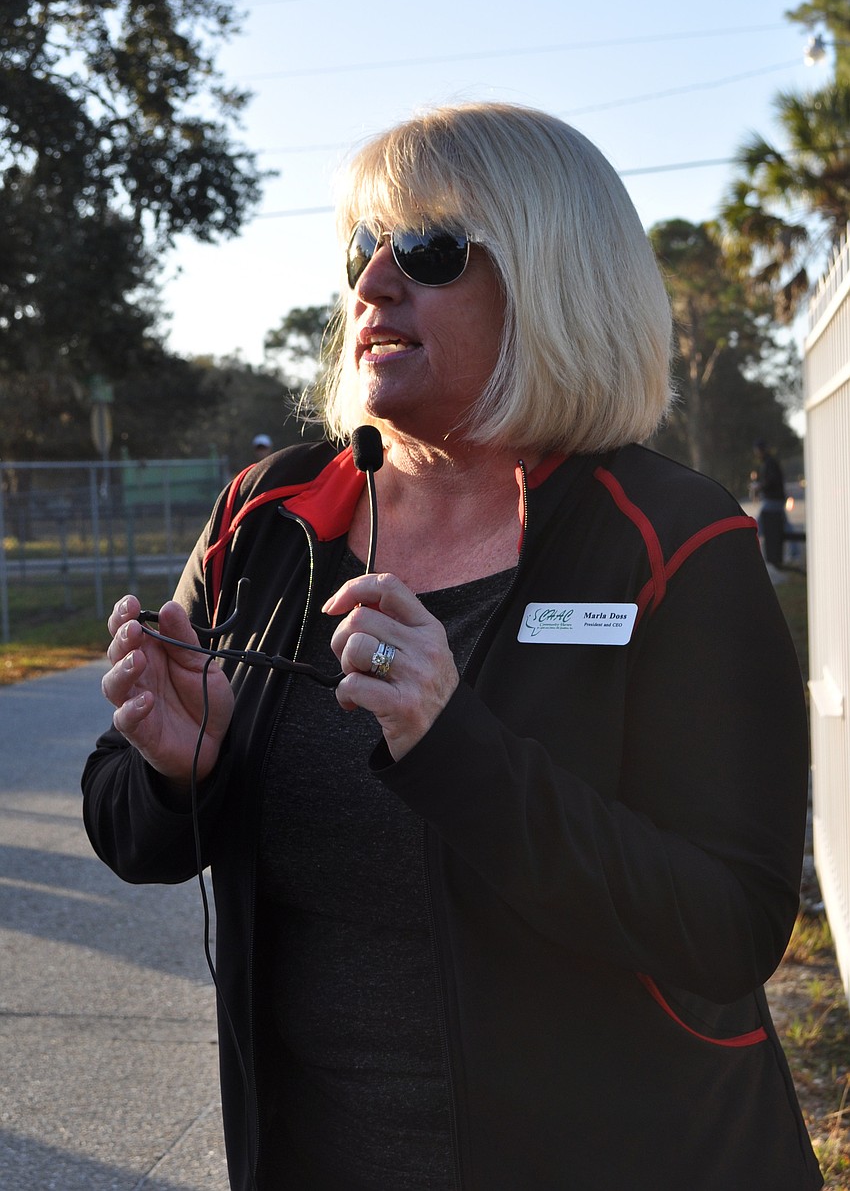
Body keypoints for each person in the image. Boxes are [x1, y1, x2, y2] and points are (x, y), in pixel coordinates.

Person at [82, 103, 821, 1190]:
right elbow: (129, 830)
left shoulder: (673, 539)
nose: (372, 285)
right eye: (360, 250)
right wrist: (175, 768)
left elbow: (726, 927)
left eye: (427, 249)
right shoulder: (271, 510)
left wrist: (453, 747)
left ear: (551, 280)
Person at [753, 438, 788, 569]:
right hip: (776, 499)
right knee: (784, 525)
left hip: (773, 500)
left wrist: (760, 486)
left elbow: (771, 481)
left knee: (759, 525)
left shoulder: (769, 463)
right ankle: (794, 552)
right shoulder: (769, 462)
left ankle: (755, 551)